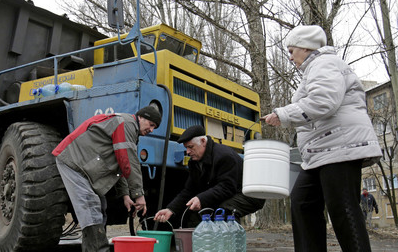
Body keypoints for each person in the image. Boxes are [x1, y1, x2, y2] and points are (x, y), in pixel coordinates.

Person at [261, 25, 382, 252]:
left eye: (291, 50)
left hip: (340, 146)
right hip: (320, 151)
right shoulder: (314, 69)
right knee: (302, 203)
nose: (290, 57)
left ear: (306, 47)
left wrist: (283, 114)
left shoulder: (324, 63)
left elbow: (323, 101)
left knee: (343, 209)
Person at [52, 106, 160, 252]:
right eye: (151, 124)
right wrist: (139, 195)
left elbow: (120, 163)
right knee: (91, 208)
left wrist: (126, 195)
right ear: (141, 117)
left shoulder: (129, 128)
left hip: (85, 167)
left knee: (100, 207)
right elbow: (128, 161)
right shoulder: (126, 123)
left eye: (155, 127)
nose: (152, 130)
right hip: (73, 162)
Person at [154, 125, 264, 227]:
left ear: (203, 141)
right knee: (197, 214)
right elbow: (189, 191)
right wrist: (170, 209)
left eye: (191, 147)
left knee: (223, 211)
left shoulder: (224, 156)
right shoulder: (194, 163)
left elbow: (227, 188)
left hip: (250, 194)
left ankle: (230, 245)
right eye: (186, 148)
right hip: (230, 192)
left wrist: (200, 199)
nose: (187, 152)